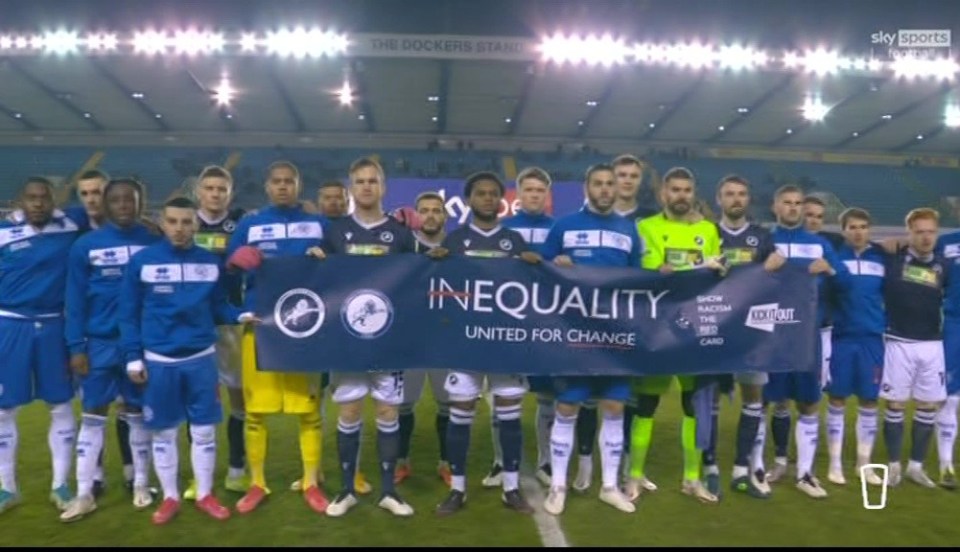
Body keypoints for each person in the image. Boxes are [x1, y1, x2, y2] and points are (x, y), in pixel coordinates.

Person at [119, 196, 255, 525]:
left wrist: (240, 316)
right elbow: (128, 314)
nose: (179, 229)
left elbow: (219, 306)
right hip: (158, 359)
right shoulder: (142, 262)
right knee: (164, 432)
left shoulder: (209, 262)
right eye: (173, 222)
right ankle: (170, 497)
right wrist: (132, 358)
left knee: (204, 431)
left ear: (195, 224)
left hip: (201, 358)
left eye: (186, 222)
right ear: (162, 223)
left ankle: (205, 494)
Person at [431, 171, 540, 516]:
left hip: (506, 343)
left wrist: (536, 267)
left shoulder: (514, 241)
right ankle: (457, 490)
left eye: (494, 193)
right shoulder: (455, 240)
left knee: (509, 415)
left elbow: (531, 292)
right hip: (465, 343)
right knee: (460, 413)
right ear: (469, 200)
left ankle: (510, 488)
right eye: (481, 193)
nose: (489, 198)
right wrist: (434, 264)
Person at [225, 161, 329, 515]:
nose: (283, 186)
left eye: (290, 181)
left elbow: (343, 265)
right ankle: (257, 483)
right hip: (261, 326)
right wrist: (235, 262)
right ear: (267, 186)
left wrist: (326, 258)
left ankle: (311, 482)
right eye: (277, 181)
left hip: (306, 328)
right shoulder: (251, 225)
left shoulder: (319, 224)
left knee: (309, 411)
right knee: (256, 411)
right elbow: (227, 268)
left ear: (298, 185)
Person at [540, 163, 641, 515]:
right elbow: (541, 272)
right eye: (598, 183)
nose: (604, 190)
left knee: (613, 407)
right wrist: (556, 264)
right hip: (574, 335)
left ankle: (610, 486)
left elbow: (640, 282)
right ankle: (558, 486)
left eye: (610, 184)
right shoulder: (564, 226)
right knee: (566, 408)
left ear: (616, 189)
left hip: (615, 336)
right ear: (587, 187)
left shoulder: (629, 230)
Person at [60, 178, 160, 522]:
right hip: (98, 344)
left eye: (129, 200)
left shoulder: (152, 241)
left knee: (137, 413)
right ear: (104, 204)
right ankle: (84, 492)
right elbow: (73, 300)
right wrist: (76, 347)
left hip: (139, 345)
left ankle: (141, 485)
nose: (122, 206)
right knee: (93, 415)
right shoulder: (85, 246)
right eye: (115, 200)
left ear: (140, 202)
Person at [321, 158, 415, 518]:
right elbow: (318, 282)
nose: (366, 187)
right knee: (349, 410)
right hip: (346, 341)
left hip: (388, 341)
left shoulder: (401, 234)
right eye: (359, 181)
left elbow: (417, 280)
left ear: (383, 187)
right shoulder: (334, 232)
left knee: (388, 410)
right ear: (351, 188)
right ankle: (346, 490)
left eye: (372, 181)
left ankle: (389, 491)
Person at [632, 167, 725, 504]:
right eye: (675, 190)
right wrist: (692, 270)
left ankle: (691, 478)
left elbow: (716, 276)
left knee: (693, 406)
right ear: (663, 194)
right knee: (646, 405)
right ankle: (635, 476)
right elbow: (654, 274)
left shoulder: (708, 230)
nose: (681, 195)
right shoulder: (646, 228)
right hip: (657, 329)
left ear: (693, 193)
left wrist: (715, 270)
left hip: (695, 330)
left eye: (687, 190)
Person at [0, 177, 84, 514]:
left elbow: (105, 212)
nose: (37, 203)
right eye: (31, 198)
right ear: (20, 199)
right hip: (10, 325)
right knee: (4, 409)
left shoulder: (70, 225)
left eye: (44, 198)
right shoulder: (3, 231)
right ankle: (7, 487)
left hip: (54, 325)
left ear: (54, 200)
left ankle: (60, 485)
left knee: (61, 405)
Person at [764, 185, 850, 499]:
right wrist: (763, 268)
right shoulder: (765, 241)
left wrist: (829, 268)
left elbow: (843, 280)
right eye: (787, 202)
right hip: (770, 336)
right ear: (775, 206)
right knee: (768, 401)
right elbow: (745, 280)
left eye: (798, 203)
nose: (793, 208)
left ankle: (805, 473)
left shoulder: (818, 244)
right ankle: (772, 464)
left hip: (806, 336)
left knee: (809, 402)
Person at [184, 165, 250, 499]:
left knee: (238, 396)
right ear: (199, 191)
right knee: (198, 400)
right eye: (209, 188)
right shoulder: (183, 222)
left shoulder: (240, 224)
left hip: (230, 323)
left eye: (221, 189)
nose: (215, 194)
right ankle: (200, 475)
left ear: (230, 193)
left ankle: (237, 467)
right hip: (191, 324)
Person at [712, 175, 779, 499]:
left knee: (753, 397)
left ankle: (743, 468)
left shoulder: (762, 237)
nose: (736, 199)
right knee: (708, 397)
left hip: (751, 331)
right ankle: (709, 466)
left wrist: (778, 262)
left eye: (741, 194)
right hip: (714, 328)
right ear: (719, 199)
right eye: (729, 194)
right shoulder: (708, 233)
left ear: (747, 199)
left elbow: (777, 277)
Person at [880, 208, 948, 489]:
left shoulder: (946, 267)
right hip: (898, 342)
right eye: (919, 231)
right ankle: (894, 466)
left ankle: (916, 468)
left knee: (928, 407)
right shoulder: (892, 260)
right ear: (909, 234)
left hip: (933, 344)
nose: (925, 237)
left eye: (930, 231)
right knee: (895, 405)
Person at [499, 166, 556, 487]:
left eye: (540, 190)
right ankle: (498, 462)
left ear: (546, 195)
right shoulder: (505, 228)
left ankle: (546, 460)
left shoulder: (558, 228)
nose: (534, 195)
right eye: (529, 190)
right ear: (518, 194)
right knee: (505, 397)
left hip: (547, 324)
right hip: (511, 324)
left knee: (546, 395)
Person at [824, 208, 886, 488]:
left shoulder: (882, 257)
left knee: (869, 401)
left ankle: (864, 465)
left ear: (869, 229)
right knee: (837, 399)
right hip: (842, 338)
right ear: (844, 230)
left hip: (872, 339)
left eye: (863, 226)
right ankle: (835, 464)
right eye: (852, 227)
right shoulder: (836, 257)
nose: (858, 231)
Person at [396, 191, 453, 487]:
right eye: (424, 210)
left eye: (436, 210)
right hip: (412, 339)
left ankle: (446, 463)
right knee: (403, 404)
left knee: (448, 404)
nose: (430, 215)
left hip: (447, 337)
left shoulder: (458, 247)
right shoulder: (403, 247)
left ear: (445, 216)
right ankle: (401, 461)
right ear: (416, 215)